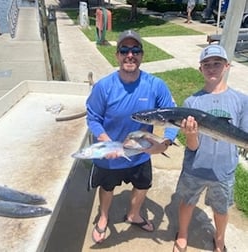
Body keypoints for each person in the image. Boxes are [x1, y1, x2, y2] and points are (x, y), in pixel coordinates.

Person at [86, 29, 178, 244]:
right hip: (111, 154)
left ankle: (133, 214)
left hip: (141, 154)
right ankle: (104, 216)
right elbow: (93, 118)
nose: (130, 54)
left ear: (141, 55)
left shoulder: (156, 85)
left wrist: (165, 142)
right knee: (107, 188)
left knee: (143, 186)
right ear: (117, 55)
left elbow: (172, 116)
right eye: (124, 50)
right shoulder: (104, 86)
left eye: (135, 50)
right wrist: (104, 141)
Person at [173, 44, 248, 252]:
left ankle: (220, 240)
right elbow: (192, 146)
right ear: (200, 69)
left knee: (221, 209)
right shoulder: (191, 102)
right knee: (187, 202)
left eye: (217, 64)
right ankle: (182, 235)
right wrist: (190, 135)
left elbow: (244, 135)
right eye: (207, 65)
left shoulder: (241, 101)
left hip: (224, 170)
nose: (212, 68)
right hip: (195, 167)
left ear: (227, 66)